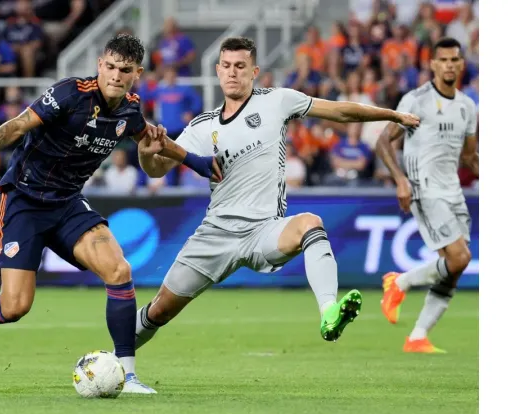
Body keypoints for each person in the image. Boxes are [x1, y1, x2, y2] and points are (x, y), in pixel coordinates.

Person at [0, 34, 220, 394]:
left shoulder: (130, 109)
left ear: (137, 73)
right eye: (111, 67)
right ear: (100, 65)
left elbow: (153, 141)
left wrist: (198, 163)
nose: (116, 76)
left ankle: (127, 374)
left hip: (68, 203)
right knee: (15, 307)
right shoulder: (71, 94)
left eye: (125, 70)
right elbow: (18, 125)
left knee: (119, 269)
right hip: (24, 201)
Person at [131, 36, 419, 354]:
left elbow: (340, 112)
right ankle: (117, 359)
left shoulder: (277, 101)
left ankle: (329, 313)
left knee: (311, 223)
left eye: (240, 66)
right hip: (216, 235)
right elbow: (156, 168)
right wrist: (145, 154)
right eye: (226, 66)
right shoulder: (203, 127)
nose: (232, 72)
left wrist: (390, 115)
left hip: (264, 230)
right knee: (159, 310)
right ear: (217, 70)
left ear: (254, 71)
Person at [376, 37, 478, 353]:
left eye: (454, 60)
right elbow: (383, 141)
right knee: (459, 257)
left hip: (453, 191)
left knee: (457, 264)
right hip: (424, 188)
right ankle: (401, 284)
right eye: (443, 60)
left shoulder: (467, 106)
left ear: (462, 64)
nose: (449, 65)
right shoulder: (415, 101)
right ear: (432, 64)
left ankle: (417, 335)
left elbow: (470, 157)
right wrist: (400, 181)